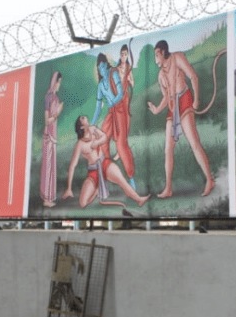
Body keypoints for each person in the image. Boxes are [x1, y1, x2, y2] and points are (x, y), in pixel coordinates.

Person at [147, 40, 214, 198]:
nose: (155, 58)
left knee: (194, 143)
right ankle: (168, 188)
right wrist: (156, 109)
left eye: (156, 54)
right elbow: (166, 97)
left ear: (163, 52)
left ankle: (210, 180)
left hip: (184, 100)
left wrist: (196, 100)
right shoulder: (160, 75)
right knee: (168, 149)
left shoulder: (177, 58)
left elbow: (193, 76)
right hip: (172, 107)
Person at [62, 116, 150, 209]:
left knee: (122, 181)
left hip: (105, 164)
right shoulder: (80, 144)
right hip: (93, 172)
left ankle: (139, 199)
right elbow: (73, 165)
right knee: (82, 203)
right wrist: (69, 188)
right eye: (82, 118)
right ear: (82, 127)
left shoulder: (93, 129)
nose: (84, 117)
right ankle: (96, 191)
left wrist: (97, 142)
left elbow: (104, 137)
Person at [96, 45, 137, 189]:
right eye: (99, 67)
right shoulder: (101, 85)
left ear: (106, 65)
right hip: (111, 111)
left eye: (103, 65)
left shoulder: (113, 73)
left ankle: (131, 177)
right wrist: (92, 125)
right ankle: (109, 171)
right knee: (102, 138)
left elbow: (120, 93)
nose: (102, 69)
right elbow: (97, 107)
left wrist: (114, 101)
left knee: (121, 144)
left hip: (120, 109)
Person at [40, 71, 65, 207]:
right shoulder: (49, 98)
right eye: (58, 82)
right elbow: (47, 120)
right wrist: (58, 113)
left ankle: (50, 197)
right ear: (54, 82)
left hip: (53, 136)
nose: (59, 85)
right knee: (48, 167)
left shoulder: (55, 97)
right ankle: (46, 199)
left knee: (52, 167)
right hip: (49, 136)